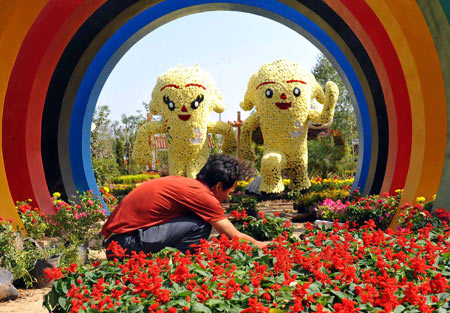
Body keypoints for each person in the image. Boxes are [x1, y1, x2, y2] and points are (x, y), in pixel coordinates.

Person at [101, 154, 269, 258]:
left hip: (118, 241)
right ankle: (176, 265)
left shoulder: (187, 184)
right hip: (124, 246)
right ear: (218, 186)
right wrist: (264, 245)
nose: (227, 198)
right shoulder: (202, 196)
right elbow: (232, 235)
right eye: (229, 193)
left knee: (199, 221)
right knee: (201, 224)